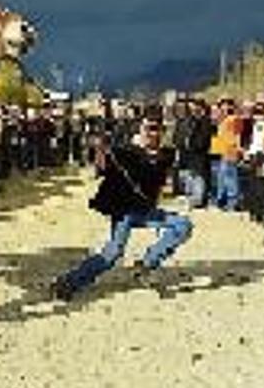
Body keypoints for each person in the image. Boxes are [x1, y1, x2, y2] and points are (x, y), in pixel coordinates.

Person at [52, 110, 193, 300]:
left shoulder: (166, 154)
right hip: (124, 211)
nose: (154, 133)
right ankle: (68, 282)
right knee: (112, 254)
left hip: (146, 210)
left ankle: (146, 264)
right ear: (141, 129)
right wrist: (100, 149)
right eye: (149, 128)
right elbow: (102, 168)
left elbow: (161, 178)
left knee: (183, 225)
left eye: (158, 129)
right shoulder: (124, 151)